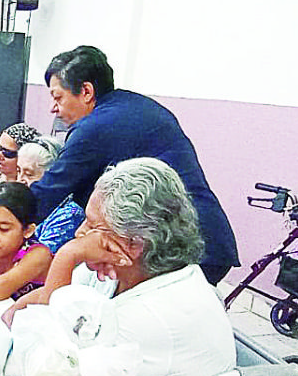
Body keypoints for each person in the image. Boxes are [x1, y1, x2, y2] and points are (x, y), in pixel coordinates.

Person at [4, 157, 241, 376]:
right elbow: (40, 307)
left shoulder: (157, 313)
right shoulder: (122, 272)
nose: (79, 235)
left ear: (131, 244)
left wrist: (67, 256)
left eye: (91, 226)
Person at [31, 45, 239, 284]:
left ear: (86, 91)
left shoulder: (95, 127)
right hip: (200, 239)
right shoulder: (134, 107)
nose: (53, 108)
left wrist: (1, 220)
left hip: (187, 246)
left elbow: (48, 193)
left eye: (58, 97)